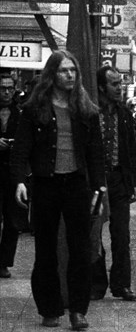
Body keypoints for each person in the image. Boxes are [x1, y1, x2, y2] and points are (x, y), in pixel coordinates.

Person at [11, 50, 105, 330]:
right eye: (64, 70)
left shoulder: (85, 110)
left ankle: (78, 310)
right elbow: (21, 149)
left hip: (76, 184)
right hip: (46, 185)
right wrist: (19, 180)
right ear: (52, 74)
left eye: (73, 71)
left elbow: (95, 153)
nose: (70, 75)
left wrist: (99, 187)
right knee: (46, 250)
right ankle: (49, 308)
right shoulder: (33, 109)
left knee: (80, 249)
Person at [91, 66, 136, 302]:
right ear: (101, 87)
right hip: (95, 182)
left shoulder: (125, 114)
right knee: (93, 235)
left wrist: (134, 184)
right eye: (114, 84)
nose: (120, 88)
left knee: (121, 235)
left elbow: (131, 150)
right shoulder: (90, 112)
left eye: (121, 84)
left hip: (119, 181)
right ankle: (96, 283)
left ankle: (122, 284)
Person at [0, 72, 21, 279]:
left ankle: (4, 262)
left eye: (9, 88)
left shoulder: (21, 113)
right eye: (2, 88)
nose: (6, 92)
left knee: (12, 220)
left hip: (13, 172)